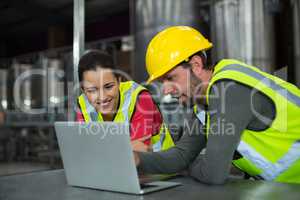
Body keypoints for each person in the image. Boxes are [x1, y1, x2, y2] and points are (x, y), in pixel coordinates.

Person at [134, 26, 300, 184]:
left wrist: (188, 165)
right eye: (161, 82)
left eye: (170, 78)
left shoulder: (229, 89)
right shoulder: (202, 105)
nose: (165, 91)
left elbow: (213, 173)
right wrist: (137, 159)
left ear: (195, 65)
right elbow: (182, 155)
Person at [76, 49, 174, 152]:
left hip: (163, 163)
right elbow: (86, 149)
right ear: (83, 90)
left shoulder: (139, 97)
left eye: (108, 87)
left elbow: (139, 152)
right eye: (92, 90)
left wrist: (99, 150)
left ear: (119, 81)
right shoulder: (83, 104)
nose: (102, 97)